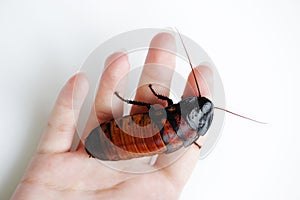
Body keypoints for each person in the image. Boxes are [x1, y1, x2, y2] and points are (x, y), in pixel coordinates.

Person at [11, 32, 212, 199]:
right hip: (111, 143)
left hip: (110, 137)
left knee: (153, 109)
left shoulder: (168, 112)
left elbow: (156, 107)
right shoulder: (178, 140)